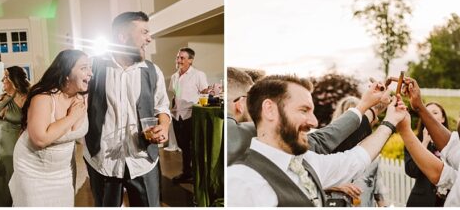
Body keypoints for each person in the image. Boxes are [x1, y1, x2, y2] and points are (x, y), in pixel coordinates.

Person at [226, 74, 406, 207]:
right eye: (304, 110)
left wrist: (390, 121)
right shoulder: (241, 182)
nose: (314, 122)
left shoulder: (309, 163)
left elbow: (357, 158)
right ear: (270, 110)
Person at [82, 11, 170, 207]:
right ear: (122, 37)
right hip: (103, 160)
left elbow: (162, 107)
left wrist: (163, 126)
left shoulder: (153, 71)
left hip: (143, 160)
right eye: (144, 32)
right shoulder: (92, 67)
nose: (149, 38)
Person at [226, 70, 389, 165]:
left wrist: (369, 108)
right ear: (240, 104)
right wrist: (368, 109)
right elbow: (321, 142)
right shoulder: (252, 135)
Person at [8, 49, 92, 206]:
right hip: (33, 170)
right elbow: (40, 139)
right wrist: (71, 116)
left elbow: (73, 131)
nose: (90, 73)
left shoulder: (81, 97)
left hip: (63, 171)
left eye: (90, 68)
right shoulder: (43, 97)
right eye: (84, 68)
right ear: (67, 73)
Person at [0, 66, 30, 206]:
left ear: (13, 80)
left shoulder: (26, 98)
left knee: (13, 189)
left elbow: (31, 123)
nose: (2, 80)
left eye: (5, 77)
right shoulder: (2, 97)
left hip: (14, 150)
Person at [169, 47, 210, 184]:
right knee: (183, 146)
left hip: (191, 115)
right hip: (177, 115)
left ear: (190, 60)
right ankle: (187, 173)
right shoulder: (174, 76)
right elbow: (175, 94)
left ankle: (198, 175)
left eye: (182, 58)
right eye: (177, 57)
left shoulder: (198, 75)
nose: (178, 60)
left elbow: (205, 92)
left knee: (193, 147)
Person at [404, 102, 447, 207]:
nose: (430, 115)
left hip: (448, 201)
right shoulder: (413, 141)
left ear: (443, 118)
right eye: (427, 113)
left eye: (435, 112)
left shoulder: (451, 143)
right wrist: (424, 143)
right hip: (421, 202)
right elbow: (412, 171)